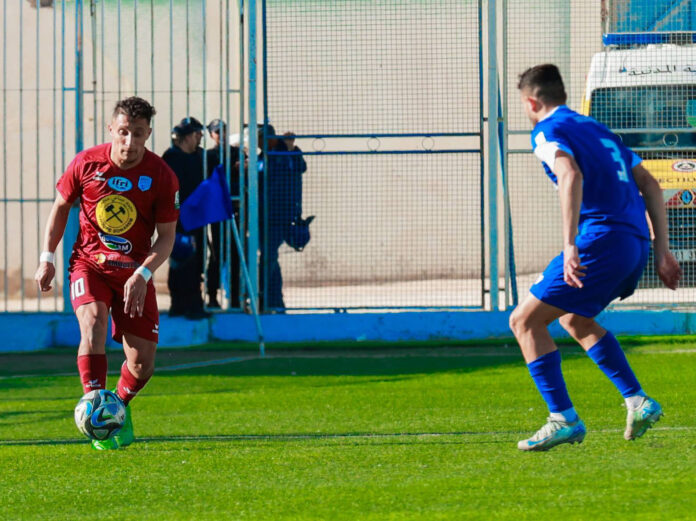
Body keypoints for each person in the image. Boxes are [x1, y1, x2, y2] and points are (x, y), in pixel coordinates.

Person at [510, 64, 682, 451]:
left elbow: (569, 176)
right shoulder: (598, 129)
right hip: (633, 242)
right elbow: (651, 184)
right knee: (575, 319)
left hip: (601, 240)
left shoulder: (547, 130)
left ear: (532, 102)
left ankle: (563, 419)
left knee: (523, 322)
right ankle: (637, 401)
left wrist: (570, 245)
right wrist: (662, 249)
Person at [34, 96, 179, 450]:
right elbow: (60, 208)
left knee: (142, 363)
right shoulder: (86, 163)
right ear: (111, 129)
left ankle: (115, 410)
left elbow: (167, 238)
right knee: (94, 321)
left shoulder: (162, 176)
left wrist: (143, 275)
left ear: (148, 135)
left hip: (135, 275)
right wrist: (46, 257)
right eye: (124, 132)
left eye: (139, 134)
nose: (130, 142)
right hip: (90, 264)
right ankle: (95, 409)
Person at [161, 117, 209, 319]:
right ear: (185, 137)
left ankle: (193, 303)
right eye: (196, 134)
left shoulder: (200, 156)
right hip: (179, 218)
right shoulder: (172, 158)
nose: (199, 138)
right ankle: (181, 304)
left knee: (197, 260)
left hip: (197, 216)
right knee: (182, 257)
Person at [259, 124, 308, 310]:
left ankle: (269, 299)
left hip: (280, 215)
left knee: (268, 257)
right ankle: (273, 299)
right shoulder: (263, 155)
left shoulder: (284, 153)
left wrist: (290, 149)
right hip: (265, 215)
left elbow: (300, 167)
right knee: (269, 257)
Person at [205, 119, 244, 309]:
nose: (221, 134)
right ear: (211, 134)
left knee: (236, 256)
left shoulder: (237, 152)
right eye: (217, 131)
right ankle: (212, 297)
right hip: (217, 212)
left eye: (224, 130)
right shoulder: (209, 155)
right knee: (217, 256)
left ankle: (235, 299)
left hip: (236, 209)